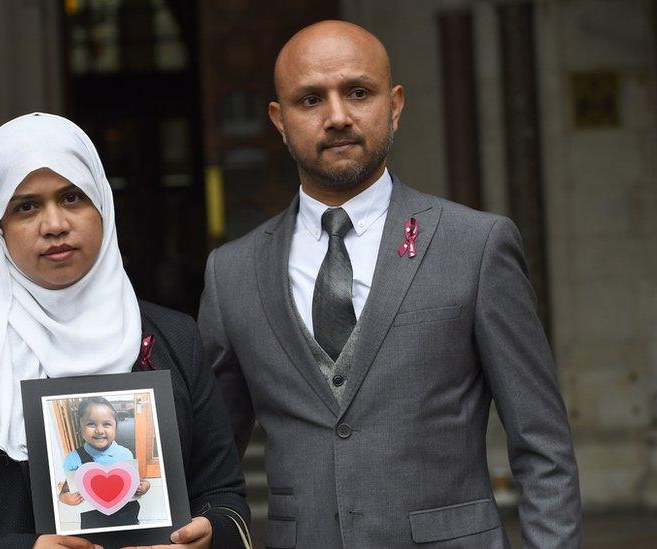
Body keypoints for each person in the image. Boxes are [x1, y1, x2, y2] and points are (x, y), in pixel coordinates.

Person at [197, 20, 581, 548]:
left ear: (394, 105)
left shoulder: (476, 245)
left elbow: (544, 449)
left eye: (358, 93)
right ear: (279, 121)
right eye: (310, 100)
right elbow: (212, 459)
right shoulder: (231, 273)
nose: (337, 117)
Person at [0, 113, 251, 549]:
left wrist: (210, 533)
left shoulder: (173, 338)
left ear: (103, 208)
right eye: (26, 206)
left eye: (72, 197)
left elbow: (224, 497)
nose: (54, 224)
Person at [58, 397, 149, 529]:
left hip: (126, 513)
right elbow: (66, 488)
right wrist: (65, 498)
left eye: (106, 424)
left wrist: (145, 485)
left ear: (116, 427)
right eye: (91, 424)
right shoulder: (73, 459)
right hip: (93, 517)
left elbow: (136, 480)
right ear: (80, 427)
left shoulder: (125, 454)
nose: (99, 430)